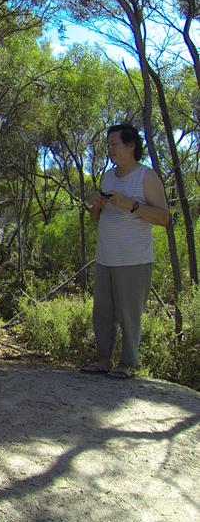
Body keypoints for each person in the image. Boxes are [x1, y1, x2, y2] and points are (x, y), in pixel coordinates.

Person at [81, 123, 169, 378]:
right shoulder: (108, 176)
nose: (110, 149)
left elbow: (163, 218)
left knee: (129, 314)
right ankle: (104, 359)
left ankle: (127, 363)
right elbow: (95, 219)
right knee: (103, 312)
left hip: (133, 259)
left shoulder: (146, 176)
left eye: (114, 144)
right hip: (105, 256)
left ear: (131, 146)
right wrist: (96, 206)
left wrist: (131, 205)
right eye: (108, 145)